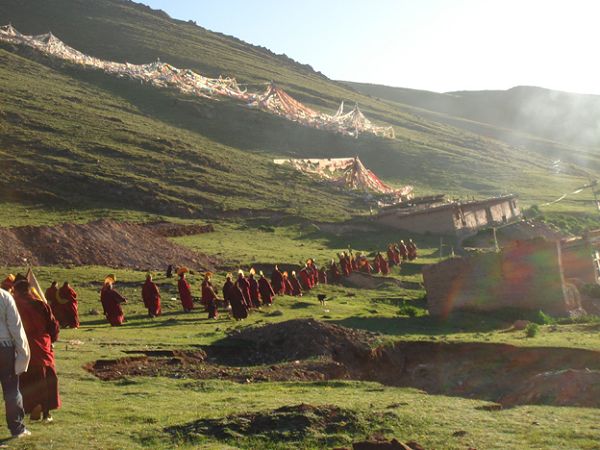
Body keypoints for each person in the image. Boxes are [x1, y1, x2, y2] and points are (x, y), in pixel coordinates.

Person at [12, 274, 60, 423]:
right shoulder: (41, 304)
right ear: (29, 289)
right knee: (46, 378)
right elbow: (53, 326)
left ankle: (33, 406)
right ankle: (46, 413)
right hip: (42, 345)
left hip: (21, 346)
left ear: (15, 290)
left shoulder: (13, 305)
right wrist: (51, 340)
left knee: (28, 380)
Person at [0, 281, 31, 438]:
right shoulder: (5, 296)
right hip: (4, 348)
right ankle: (17, 429)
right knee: (12, 390)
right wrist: (23, 352)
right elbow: (15, 327)